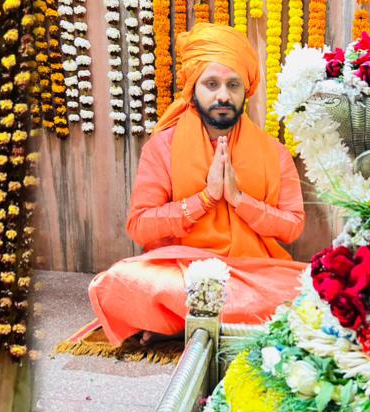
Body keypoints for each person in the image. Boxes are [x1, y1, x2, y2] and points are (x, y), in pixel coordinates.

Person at [89, 23, 308, 347]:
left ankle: (180, 322)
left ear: (246, 90)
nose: (223, 95)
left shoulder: (273, 153)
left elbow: (292, 227)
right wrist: (205, 199)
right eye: (211, 84)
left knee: (309, 289)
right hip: (181, 272)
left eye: (233, 84)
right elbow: (139, 226)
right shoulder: (163, 147)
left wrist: (238, 199)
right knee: (121, 281)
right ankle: (224, 321)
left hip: (252, 274)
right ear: (193, 88)